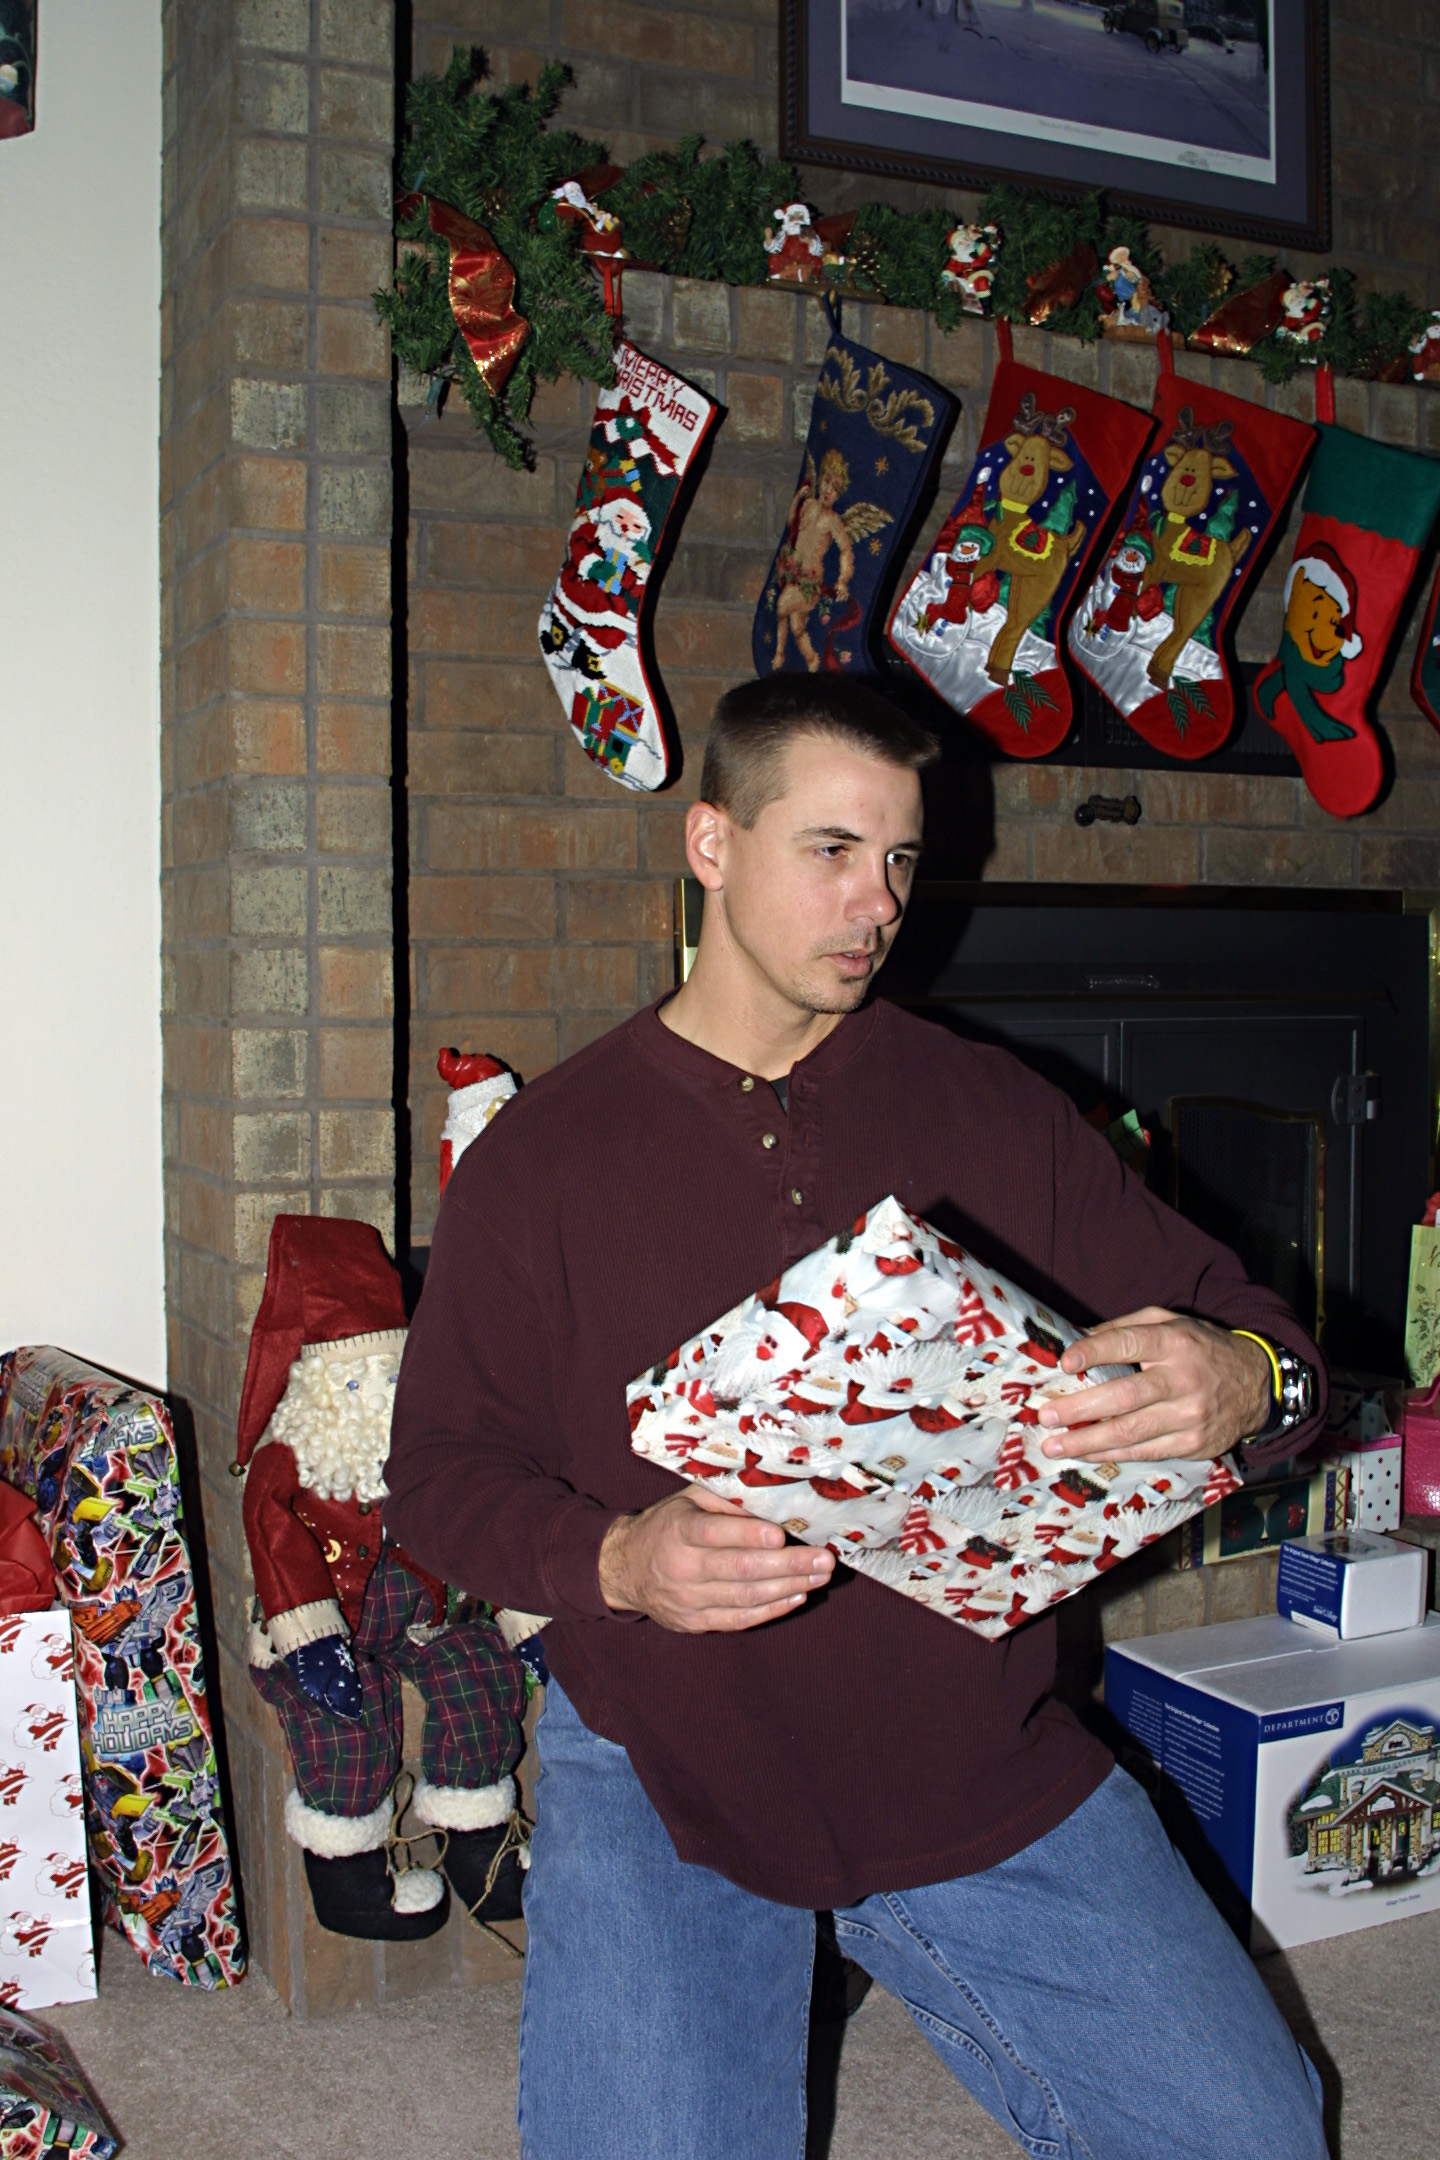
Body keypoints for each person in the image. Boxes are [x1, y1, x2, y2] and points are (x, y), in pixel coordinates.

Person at [385, 674, 1330, 2160]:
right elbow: (436, 1478)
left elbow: (1266, 1338)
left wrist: (1243, 1377)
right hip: (671, 1755)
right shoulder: (544, 1157)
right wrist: (619, 1562)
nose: (877, 902)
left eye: (898, 859)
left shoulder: (993, 1106)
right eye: (831, 849)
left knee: (1256, 2138)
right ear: (711, 843)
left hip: (965, 1745)